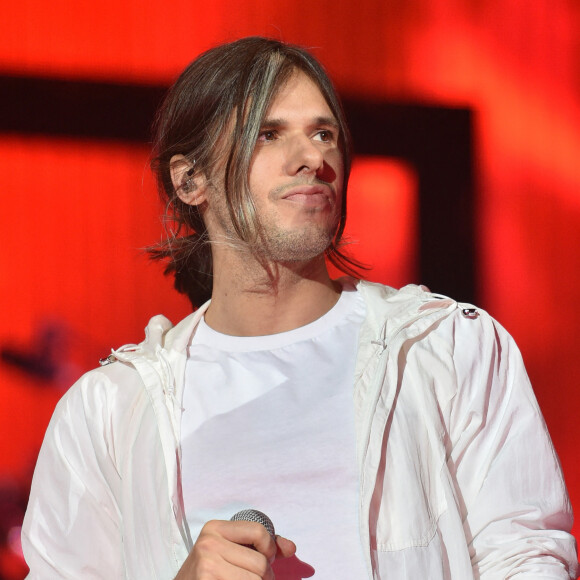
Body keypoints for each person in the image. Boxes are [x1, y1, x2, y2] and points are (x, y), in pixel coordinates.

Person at [21, 36, 577, 579]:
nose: (312, 157)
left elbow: (526, 557)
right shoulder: (107, 412)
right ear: (190, 180)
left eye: (324, 133)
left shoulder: (447, 350)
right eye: (268, 134)